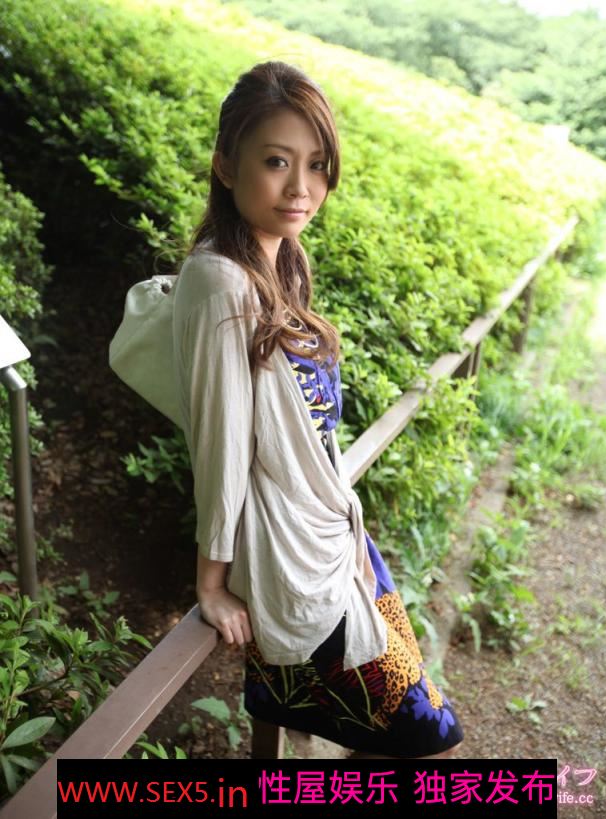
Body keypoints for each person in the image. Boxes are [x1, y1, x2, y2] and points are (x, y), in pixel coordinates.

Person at [171, 60, 464, 759]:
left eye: (317, 164)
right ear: (225, 164)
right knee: (426, 737)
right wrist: (211, 583)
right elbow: (221, 444)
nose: (301, 187)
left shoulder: (283, 259)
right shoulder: (221, 282)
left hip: (338, 540)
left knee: (423, 722)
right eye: (276, 161)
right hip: (293, 559)